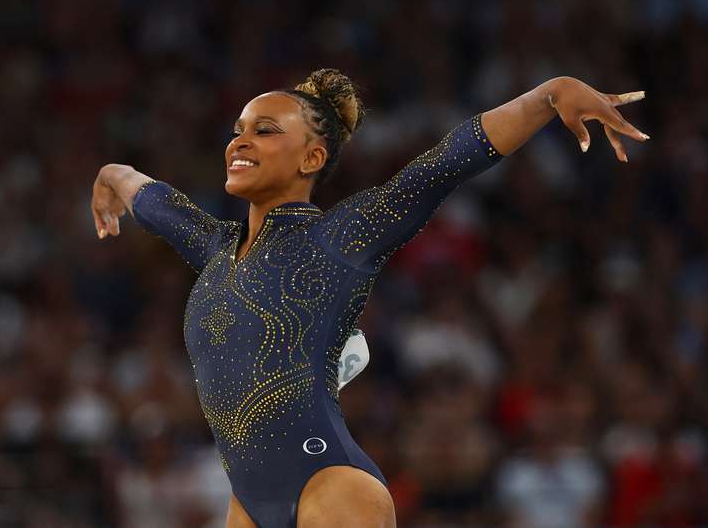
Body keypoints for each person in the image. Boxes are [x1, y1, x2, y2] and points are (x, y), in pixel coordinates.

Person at [91, 69, 647, 528]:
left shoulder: (337, 238)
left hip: (330, 486)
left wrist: (549, 95)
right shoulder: (214, 248)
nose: (240, 140)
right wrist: (109, 176)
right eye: (238, 129)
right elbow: (147, 195)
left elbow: (445, 164)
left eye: (264, 130)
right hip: (247, 504)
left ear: (311, 159)